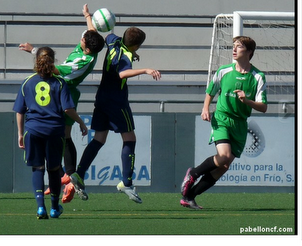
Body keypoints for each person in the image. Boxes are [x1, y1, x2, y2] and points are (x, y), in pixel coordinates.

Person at [18, 4, 104, 203]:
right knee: (59, 136)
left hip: (64, 93)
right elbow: (92, 32)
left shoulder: (81, 61)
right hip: (62, 92)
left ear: (87, 48)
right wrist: (87, 16)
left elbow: (54, 69)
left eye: (83, 40)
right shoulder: (93, 46)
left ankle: (69, 175)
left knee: (62, 136)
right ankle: (68, 178)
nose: (81, 38)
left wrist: (34, 51)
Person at [70, 27, 161, 203]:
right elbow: (122, 73)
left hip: (102, 98)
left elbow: (97, 32)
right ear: (137, 46)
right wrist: (146, 70)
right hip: (117, 103)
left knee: (99, 139)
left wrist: (88, 16)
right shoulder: (126, 55)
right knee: (130, 139)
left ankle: (79, 174)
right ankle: (126, 183)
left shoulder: (113, 40)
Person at [180, 36, 268, 209]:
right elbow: (211, 91)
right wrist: (205, 108)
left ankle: (190, 196)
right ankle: (194, 172)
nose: (234, 50)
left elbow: (263, 107)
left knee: (224, 166)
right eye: (233, 46)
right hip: (222, 118)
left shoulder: (258, 77)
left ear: (249, 52)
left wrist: (247, 101)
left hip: (240, 124)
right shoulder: (223, 70)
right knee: (224, 157)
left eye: (239, 47)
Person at [13, 47, 88, 219]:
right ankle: (54, 207)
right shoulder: (59, 83)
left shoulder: (28, 82)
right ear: (53, 61)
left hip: (33, 131)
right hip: (54, 131)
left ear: (36, 61)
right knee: (54, 170)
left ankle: (41, 207)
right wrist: (81, 122)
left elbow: (19, 111)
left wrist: (20, 133)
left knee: (37, 168)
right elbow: (68, 108)